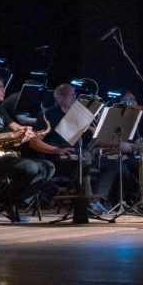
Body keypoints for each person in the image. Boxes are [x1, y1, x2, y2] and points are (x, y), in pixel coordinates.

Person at [0, 72, 54, 222]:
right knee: (31, 168)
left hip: (5, 156)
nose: (4, 91)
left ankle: (6, 200)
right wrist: (11, 136)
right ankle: (7, 201)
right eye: (1, 88)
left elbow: (16, 127)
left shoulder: (0, 109)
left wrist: (27, 131)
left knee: (48, 167)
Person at [28, 83, 110, 216]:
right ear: (60, 98)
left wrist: (92, 129)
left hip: (77, 156)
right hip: (58, 159)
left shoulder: (76, 115)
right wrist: (56, 150)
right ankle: (89, 203)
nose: (75, 98)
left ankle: (97, 200)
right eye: (71, 95)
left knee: (111, 163)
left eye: (75, 95)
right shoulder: (48, 115)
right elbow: (34, 142)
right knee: (85, 158)